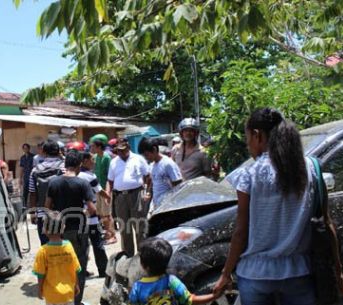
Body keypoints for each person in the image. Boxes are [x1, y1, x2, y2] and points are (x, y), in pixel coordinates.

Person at [213, 108, 319, 304]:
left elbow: (241, 232)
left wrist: (226, 273)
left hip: (256, 275)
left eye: (247, 140)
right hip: (298, 272)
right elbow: (325, 222)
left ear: (257, 135)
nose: (248, 146)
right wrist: (337, 272)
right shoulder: (310, 168)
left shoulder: (250, 174)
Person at [45, 150, 96, 305]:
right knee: (78, 265)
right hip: (79, 231)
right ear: (79, 165)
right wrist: (83, 213)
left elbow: (47, 207)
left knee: (61, 265)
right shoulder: (82, 183)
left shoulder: (54, 182)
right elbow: (92, 208)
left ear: (65, 164)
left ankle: (62, 299)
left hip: (60, 232)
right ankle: (76, 301)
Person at [129, 237, 222, 305]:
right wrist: (214, 296)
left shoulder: (138, 287)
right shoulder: (172, 281)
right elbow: (191, 300)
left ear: (145, 266)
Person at [107, 138, 150, 257]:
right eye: (119, 151)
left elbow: (148, 176)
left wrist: (147, 192)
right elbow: (110, 181)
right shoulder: (114, 162)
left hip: (137, 195)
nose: (121, 153)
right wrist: (108, 195)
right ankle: (128, 256)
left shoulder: (138, 159)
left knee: (139, 226)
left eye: (123, 150)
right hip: (120, 197)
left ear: (128, 148)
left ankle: (143, 256)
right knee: (124, 228)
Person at [33, 212, 81, 305]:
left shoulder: (43, 251)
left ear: (45, 230)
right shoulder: (68, 246)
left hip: (52, 295)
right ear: (63, 228)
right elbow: (75, 269)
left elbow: (40, 274)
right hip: (68, 293)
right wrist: (76, 285)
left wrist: (39, 289)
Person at [78, 152, 110, 278]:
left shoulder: (77, 175)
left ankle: (82, 270)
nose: (94, 162)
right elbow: (99, 191)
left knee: (82, 246)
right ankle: (103, 270)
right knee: (97, 244)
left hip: (79, 217)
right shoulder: (89, 176)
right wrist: (108, 196)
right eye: (92, 159)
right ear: (85, 160)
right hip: (91, 216)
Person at [28, 140, 65, 245]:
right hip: (61, 213)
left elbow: (32, 193)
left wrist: (32, 213)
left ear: (43, 151)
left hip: (42, 213)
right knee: (62, 246)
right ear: (58, 151)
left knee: (45, 246)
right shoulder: (63, 167)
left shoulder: (35, 170)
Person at [138, 137, 182, 212]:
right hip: (158, 205)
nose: (146, 158)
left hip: (169, 206)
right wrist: (149, 193)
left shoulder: (168, 164)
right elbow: (153, 182)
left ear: (154, 150)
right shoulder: (152, 165)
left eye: (147, 155)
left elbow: (178, 185)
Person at [89, 134, 117, 244]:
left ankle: (112, 235)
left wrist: (108, 191)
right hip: (97, 189)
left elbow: (109, 176)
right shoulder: (95, 158)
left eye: (93, 146)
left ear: (99, 147)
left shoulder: (106, 157)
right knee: (101, 213)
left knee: (107, 213)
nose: (91, 148)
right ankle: (107, 233)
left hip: (105, 189)